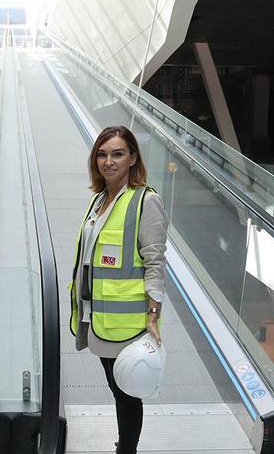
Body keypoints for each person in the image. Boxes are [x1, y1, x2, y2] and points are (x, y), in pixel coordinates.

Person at [68, 125, 168, 454]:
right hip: (98, 317)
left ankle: (127, 450)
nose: (108, 161)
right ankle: (126, 444)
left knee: (127, 392)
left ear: (133, 158)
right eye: (102, 154)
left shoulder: (145, 201)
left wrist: (154, 314)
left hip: (127, 322)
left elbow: (155, 261)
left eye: (117, 154)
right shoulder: (99, 199)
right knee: (117, 389)